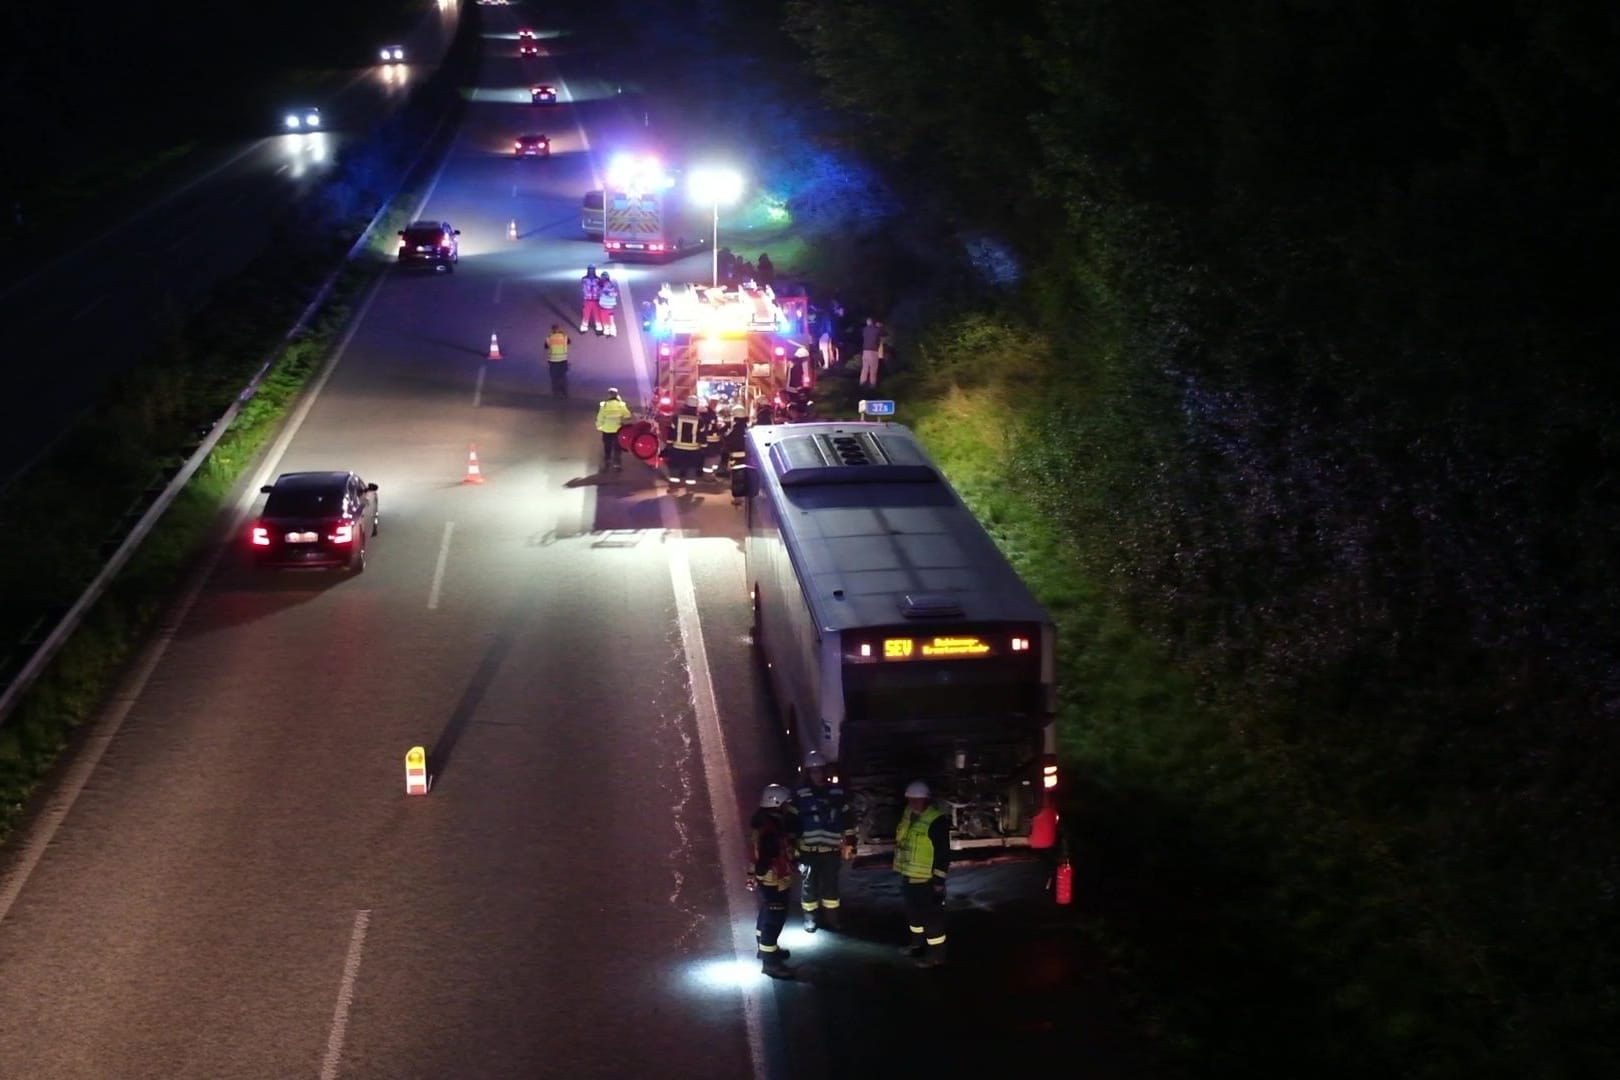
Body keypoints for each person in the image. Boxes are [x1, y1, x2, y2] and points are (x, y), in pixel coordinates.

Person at [788, 749, 856, 933]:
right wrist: (793, 849)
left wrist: (850, 841)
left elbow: (847, 818)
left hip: (831, 851)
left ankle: (832, 919)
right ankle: (810, 919)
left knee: (831, 887)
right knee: (809, 887)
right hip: (808, 851)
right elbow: (792, 823)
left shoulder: (837, 792)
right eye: (813, 771)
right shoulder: (799, 794)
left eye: (820, 770)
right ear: (807, 773)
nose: (817, 774)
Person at [894, 779, 950, 967]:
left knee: (932, 921)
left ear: (926, 800)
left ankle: (936, 957)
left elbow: (943, 853)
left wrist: (938, 881)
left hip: (927, 881)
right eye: (910, 799)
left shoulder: (936, 820)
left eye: (917, 800)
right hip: (909, 877)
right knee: (914, 918)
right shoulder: (908, 814)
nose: (913, 803)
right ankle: (916, 946)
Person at [748, 783, 796, 977]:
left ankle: (766, 948)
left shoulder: (764, 823)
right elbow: (771, 855)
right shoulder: (771, 829)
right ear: (776, 803)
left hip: (767, 880)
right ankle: (770, 964)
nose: (787, 807)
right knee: (774, 921)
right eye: (785, 803)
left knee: (766, 915)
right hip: (774, 881)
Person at [666, 395, 707, 488]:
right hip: (693, 449)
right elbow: (702, 434)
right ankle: (690, 488)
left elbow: (671, 431)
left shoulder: (677, 417)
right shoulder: (699, 420)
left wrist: (669, 444)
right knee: (691, 468)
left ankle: (673, 486)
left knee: (675, 467)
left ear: (685, 405)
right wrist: (704, 447)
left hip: (677, 447)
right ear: (696, 406)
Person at [595, 387, 634, 471]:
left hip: (606, 430)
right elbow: (628, 415)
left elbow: (600, 417)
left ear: (609, 395)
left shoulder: (604, 405)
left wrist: (599, 426)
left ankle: (607, 459)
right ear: (617, 395)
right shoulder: (621, 405)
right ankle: (617, 463)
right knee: (617, 447)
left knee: (607, 445)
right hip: (618, 430)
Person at [545, 324, 570, 398]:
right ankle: (565, 393)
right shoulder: (564, 336)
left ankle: (556, 393)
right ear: (559, 329)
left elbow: (546, 346)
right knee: (563, 377)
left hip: (552, 360)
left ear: (552, 330)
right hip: (563, 359)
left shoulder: (549, 337)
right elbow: (569, 342)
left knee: (554, 378)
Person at [859, 317, 884, 388]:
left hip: (865, 351)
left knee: (865, 368)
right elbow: (884, 333)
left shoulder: (864, 329)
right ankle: (872, 384)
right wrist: (880, 326)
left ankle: (862, 382)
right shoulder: (877, 330)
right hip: (873, 351)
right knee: (873, 368)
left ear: (867, 323)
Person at [579, 265, 602, 334]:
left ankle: (599, 328)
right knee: (586, 314)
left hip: (596, 299)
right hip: (587, 299)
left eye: (592, 269)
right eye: (590, 269)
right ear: (588, 270)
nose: (591, 271)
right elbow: (583, 288)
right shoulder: (584, 279)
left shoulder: (598, 279)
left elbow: (600, 288)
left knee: (597, 314)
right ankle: (583, 328)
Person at [597, 272, 619, 338]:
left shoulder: (610, 285)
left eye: (604, 278)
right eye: (602, 277)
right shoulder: (601, 285)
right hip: (602, 305)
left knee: (610, 320)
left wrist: (607, 292)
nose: (603, 279)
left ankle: (613, 333)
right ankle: (606, 332)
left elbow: (613, 293)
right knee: (604, 319)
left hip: (609, 306)